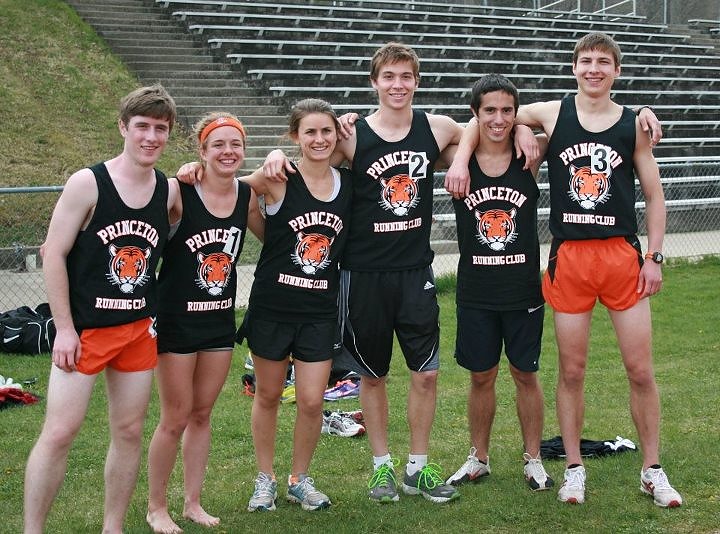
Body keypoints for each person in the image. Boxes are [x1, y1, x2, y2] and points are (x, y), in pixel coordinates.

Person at [261, 42, 538, 504]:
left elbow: (482, 124)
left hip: (415, 271)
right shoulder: (351, 136)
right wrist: (275, 153)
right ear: (374, 82)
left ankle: (418, 468)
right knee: (373, 376)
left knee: (426, 374)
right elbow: (311, 151)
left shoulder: (435, 127)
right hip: (363, 273)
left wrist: (517, 129)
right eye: (388, 76)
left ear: (417, 81)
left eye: (406, 76)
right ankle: (381, 467)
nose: (398, 84)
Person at [446, 32, 681, 508]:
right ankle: (574, 467)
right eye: (586, 61)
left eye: (604, 62)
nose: (594, 69)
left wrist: (654, 257)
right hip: (570, 256)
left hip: (621, 255)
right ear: (574, 67)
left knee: (640, 369)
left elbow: (655, 196)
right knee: (571, 370)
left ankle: (652, 469)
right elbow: (488, 116)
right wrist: (499, 137)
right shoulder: (553, 113)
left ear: (617, 70)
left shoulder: (633, 124)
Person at [24, 84, 178, 534]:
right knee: (60, 432)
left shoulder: (167, 189)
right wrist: (64, 328)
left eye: (161, 129)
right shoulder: (88, 182)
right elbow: (53, 253)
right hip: (86, 329)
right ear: (123, 128)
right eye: (142, 127)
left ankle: (113, 527)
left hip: (136, 329)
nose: (151, 137)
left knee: (129, 432)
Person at [145, 112, 264, 533]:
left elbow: (275, 238)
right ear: (202, 150)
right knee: (174, 417)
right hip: (176, 321)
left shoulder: (247, 196)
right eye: (218, 145)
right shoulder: (179, 192)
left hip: (218, 323)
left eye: (236, 144)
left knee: (201, 414)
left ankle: (192, 502)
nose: (228, 152)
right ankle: (156, 507)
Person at [240, 98, 353, 512]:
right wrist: (265, 231)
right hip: (273, 306)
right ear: (294, 136)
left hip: (319, 310)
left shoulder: (347, 183)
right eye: (310, 132)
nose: (319, 139)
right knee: (268, 395)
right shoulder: (278, 177)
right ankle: (265, 479)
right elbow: (234, 189)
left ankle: (299, 480)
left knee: (311, 401)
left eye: (326, 131)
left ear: (335, 135)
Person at [443, 74, 554, 492]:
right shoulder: (457, 158)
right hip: (476, 290)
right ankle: (479, 457)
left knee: (525, 374)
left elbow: (562, 120)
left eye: (508, 111)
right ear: (475, 113)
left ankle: (534, 459)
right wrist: (459, 158)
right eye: (489, 110)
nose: (499, 118)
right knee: (481, 376)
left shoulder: (530, 154)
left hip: (522, 289)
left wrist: (523, 126)